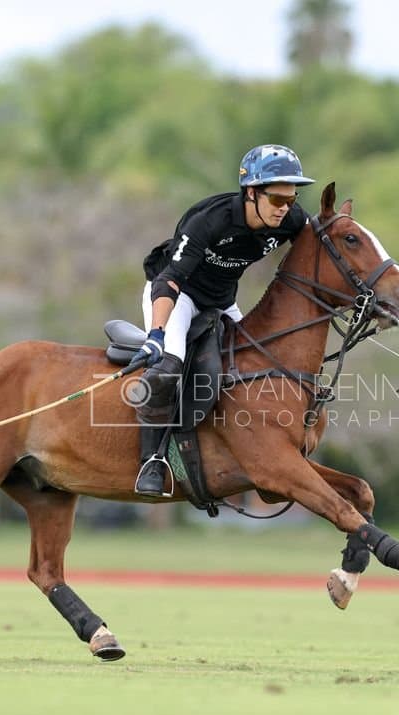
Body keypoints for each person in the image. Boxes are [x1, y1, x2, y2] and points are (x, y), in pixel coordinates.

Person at [131, 144, 316, 496]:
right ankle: (153, 460)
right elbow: (170, 280)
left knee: (255, 370)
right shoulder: (209, 220)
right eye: (277, 199)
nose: (285, 209)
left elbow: (322, 245)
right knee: (169, 367)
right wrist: (156, 334)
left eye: (291, 199)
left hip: (222, 303)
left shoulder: (290, 220)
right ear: (251, 193)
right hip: (178, 296)